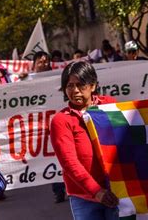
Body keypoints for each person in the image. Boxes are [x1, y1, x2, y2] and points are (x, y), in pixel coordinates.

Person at [50, 61, 119, 219]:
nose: (75, 91)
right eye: (69, 85)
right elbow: (69, 162)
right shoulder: (61, 120)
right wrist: (96, 191)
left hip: (118, 188)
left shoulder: (110, 106)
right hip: (84, 197)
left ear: (93, 85)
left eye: (81, 85)